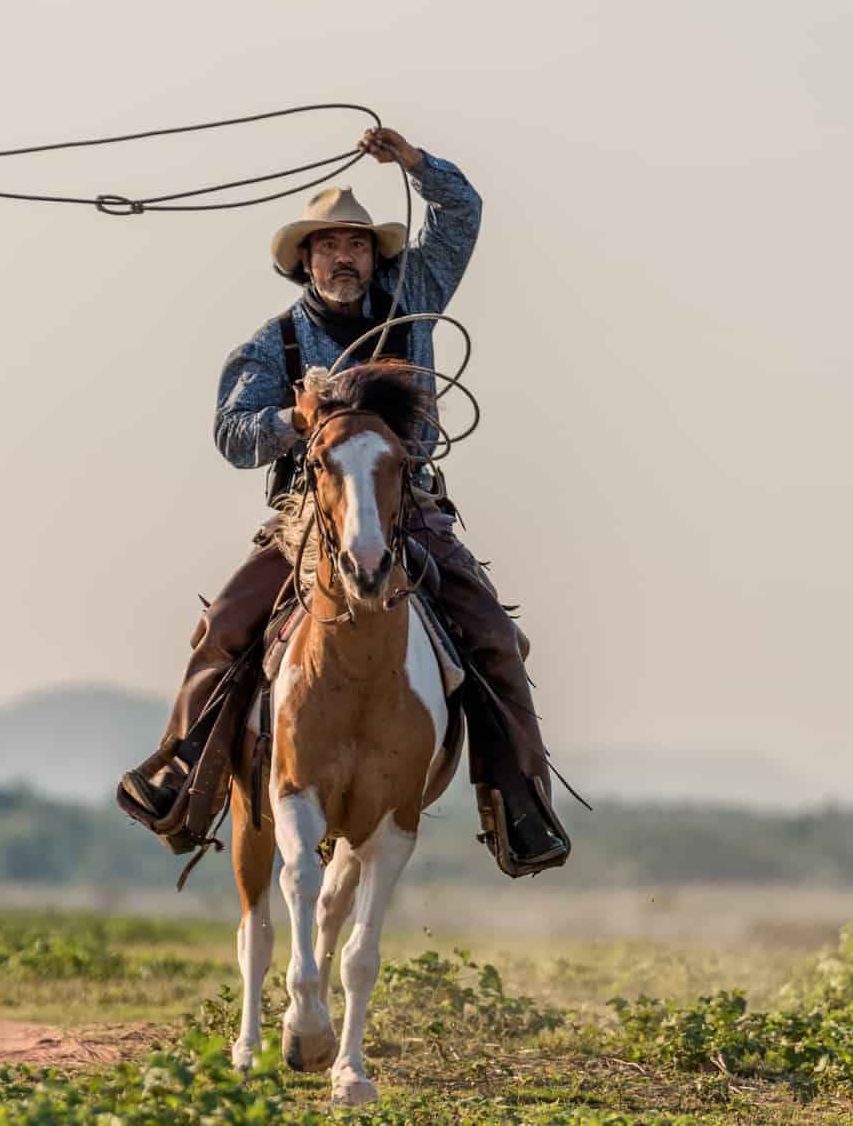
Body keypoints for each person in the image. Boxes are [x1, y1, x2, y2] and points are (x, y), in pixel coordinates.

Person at [116, 127, 569, 877]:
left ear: (374, 254)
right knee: (225, 627)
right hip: (307, 517)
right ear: (304, 260)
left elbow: (461, 215)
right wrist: (290, 422)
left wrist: (416, 164)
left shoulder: (414, 297)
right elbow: (232, 435)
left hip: (412, 506)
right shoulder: (275, 346)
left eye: (356, 244)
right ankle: (183, 777)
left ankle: (519, 802)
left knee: (496, 640)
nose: (343, 257)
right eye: (327, 245)